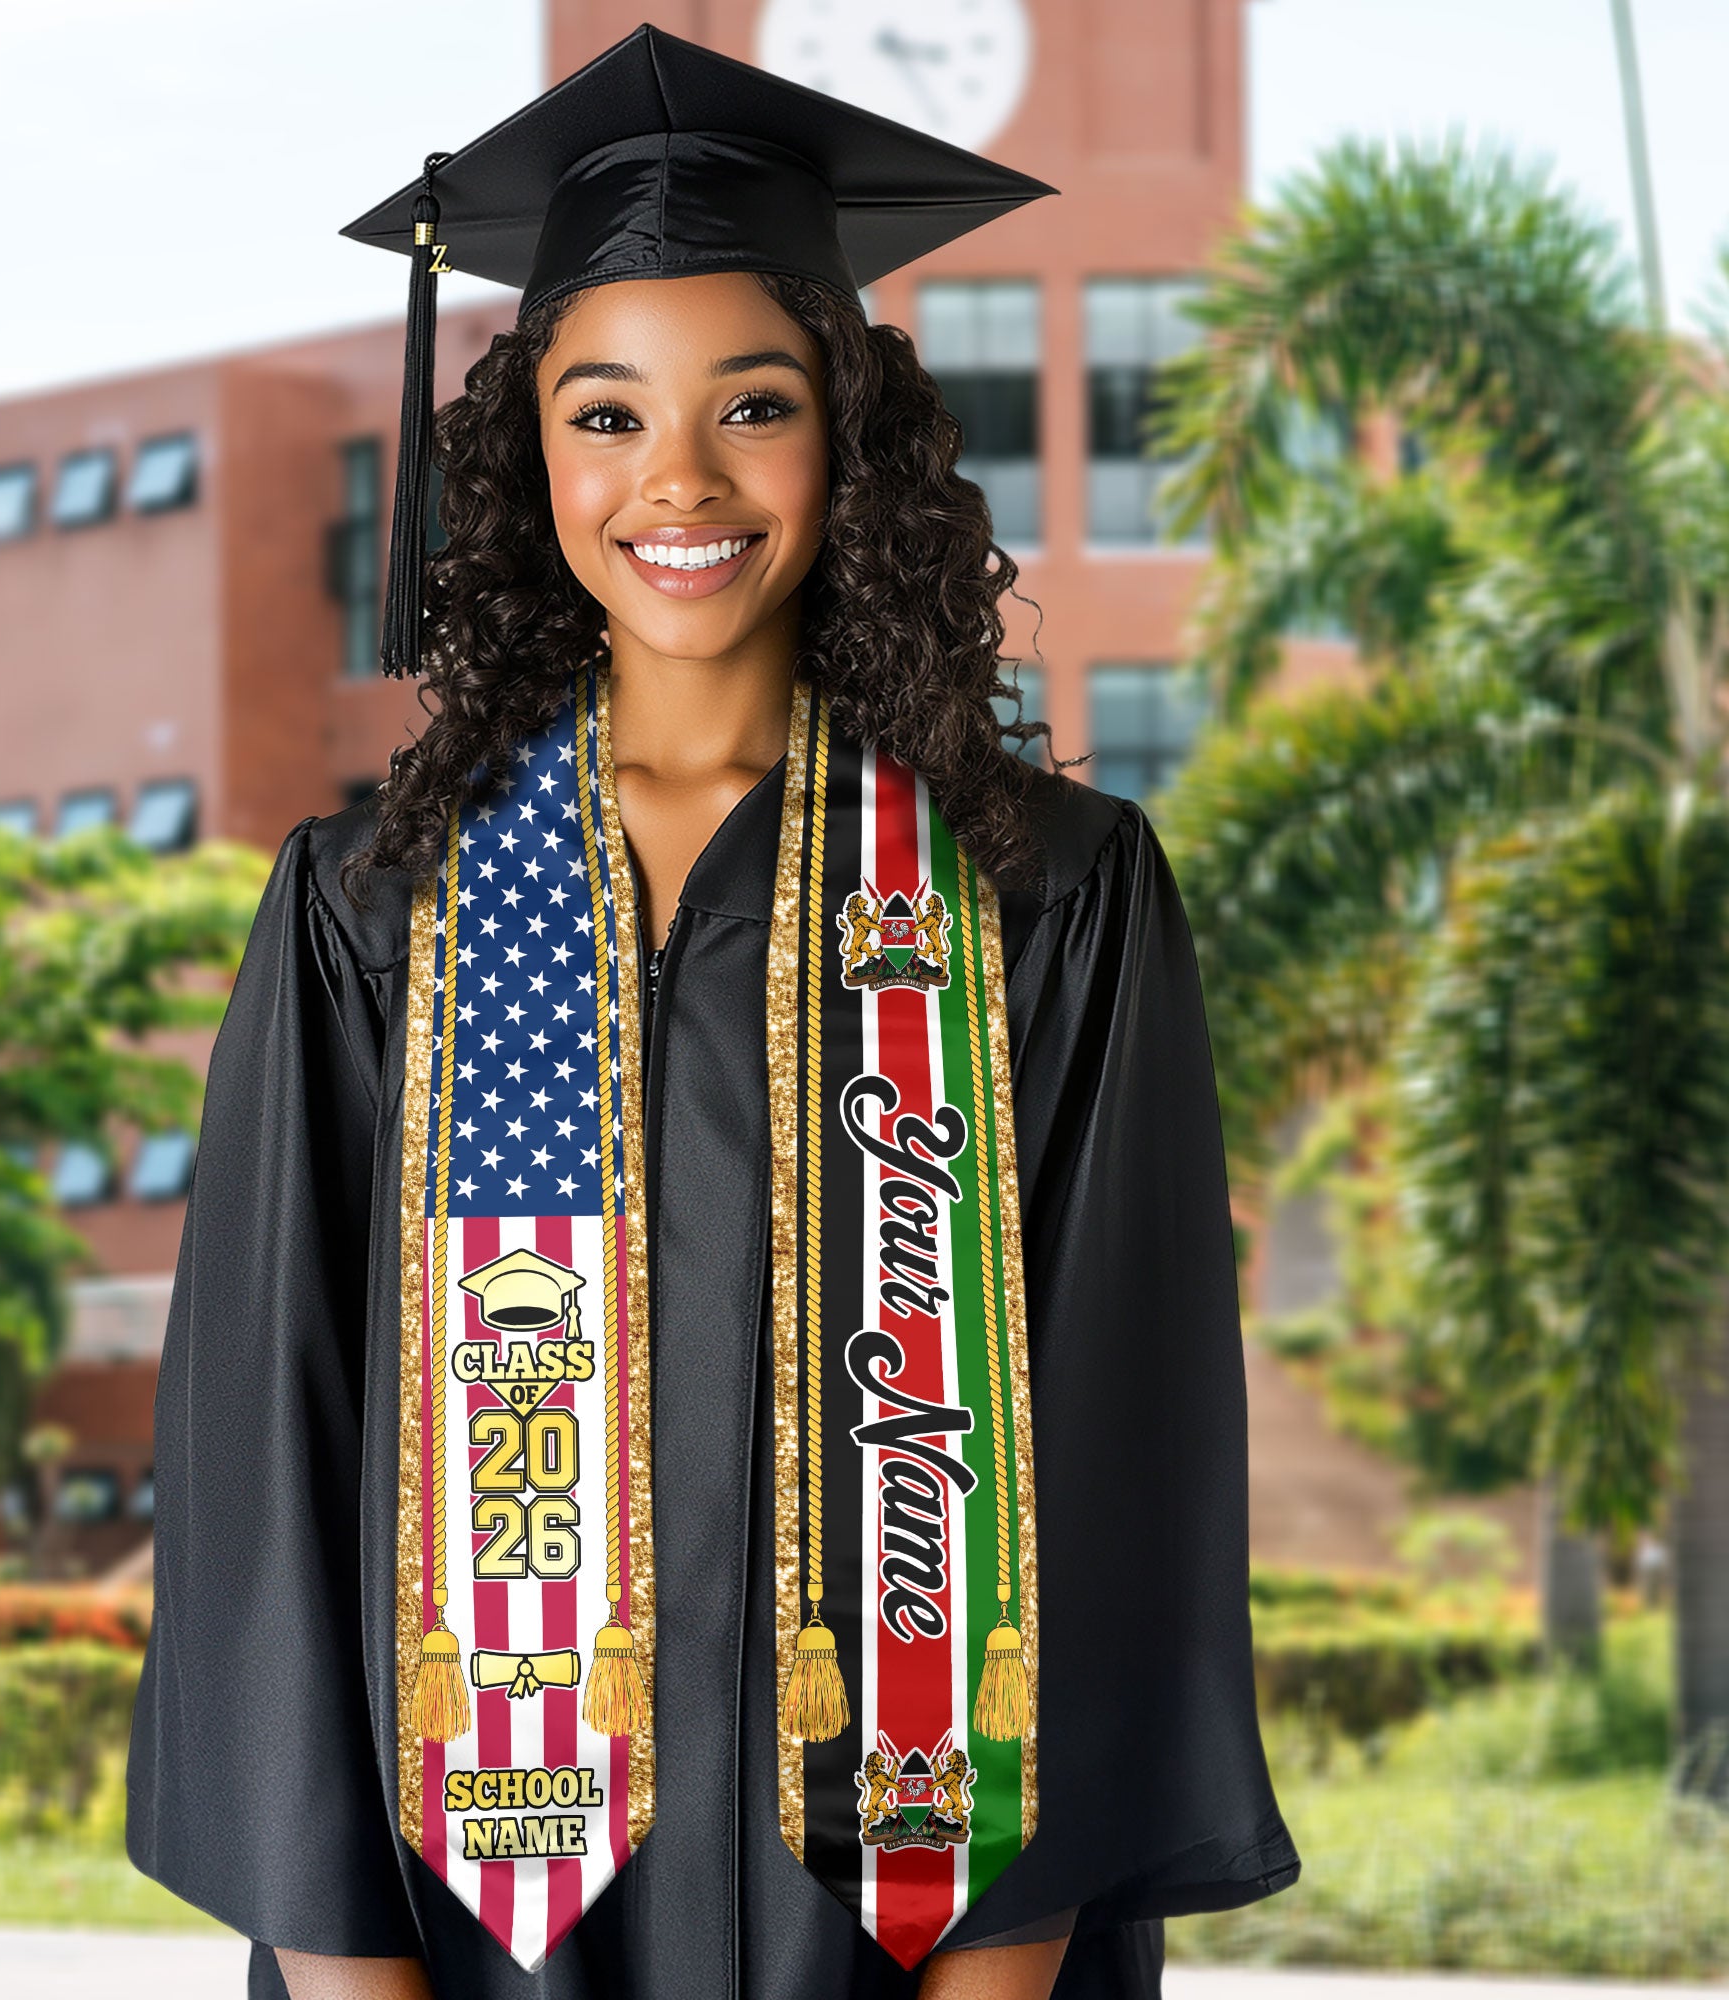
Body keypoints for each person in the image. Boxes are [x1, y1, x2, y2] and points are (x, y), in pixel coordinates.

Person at [125, 25, 1301, 2000]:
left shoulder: (1045, 894)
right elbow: (265, 1471)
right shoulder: (373, 912)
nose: (677, 478)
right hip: (459, 1938)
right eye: (605, 415)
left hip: (922, 1942)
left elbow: (1123, 1476)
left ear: (847, 432)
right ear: (526, 460)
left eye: (750, 404)